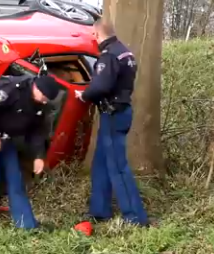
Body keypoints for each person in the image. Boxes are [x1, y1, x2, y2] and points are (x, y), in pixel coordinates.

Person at [74, 18, 150, 227]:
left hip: (114, 115)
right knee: (100, 163)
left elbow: (100, 86)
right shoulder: (125, 52)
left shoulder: (109, 56)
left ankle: (135, 218)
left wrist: (83, 95)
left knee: (117, 166)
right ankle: (99, 211)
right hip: (118, 113)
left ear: (97, 35)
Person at [0, 74, 61, 229]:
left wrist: (38, 156)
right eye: (43, 97)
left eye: (46, 100)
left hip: (7, 138)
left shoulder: (40, 104)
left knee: (16, 181)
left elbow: (36, 132)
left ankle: (27, 225)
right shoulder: (11, 89)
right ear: (36, 87)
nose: (44, 101)